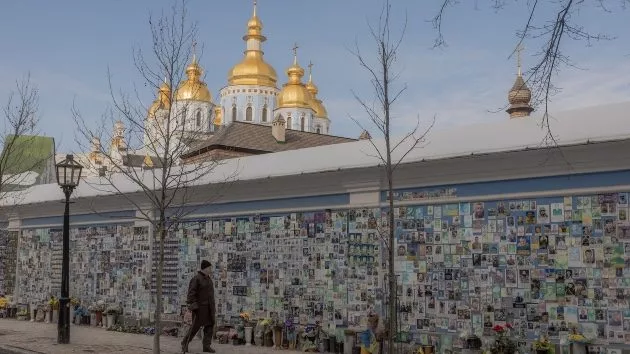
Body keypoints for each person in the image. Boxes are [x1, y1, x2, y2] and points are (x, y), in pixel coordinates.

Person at [181, 260, 216, 353]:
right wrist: (194, 306)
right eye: (209, 268)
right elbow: (191, 294)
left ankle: (206, 346)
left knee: (209, 327)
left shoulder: (208, 279)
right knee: (195, 328)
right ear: (205, 268)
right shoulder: (196, 279)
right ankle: (184, 343)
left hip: (209, 308)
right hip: (200, 309)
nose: (210, 269)